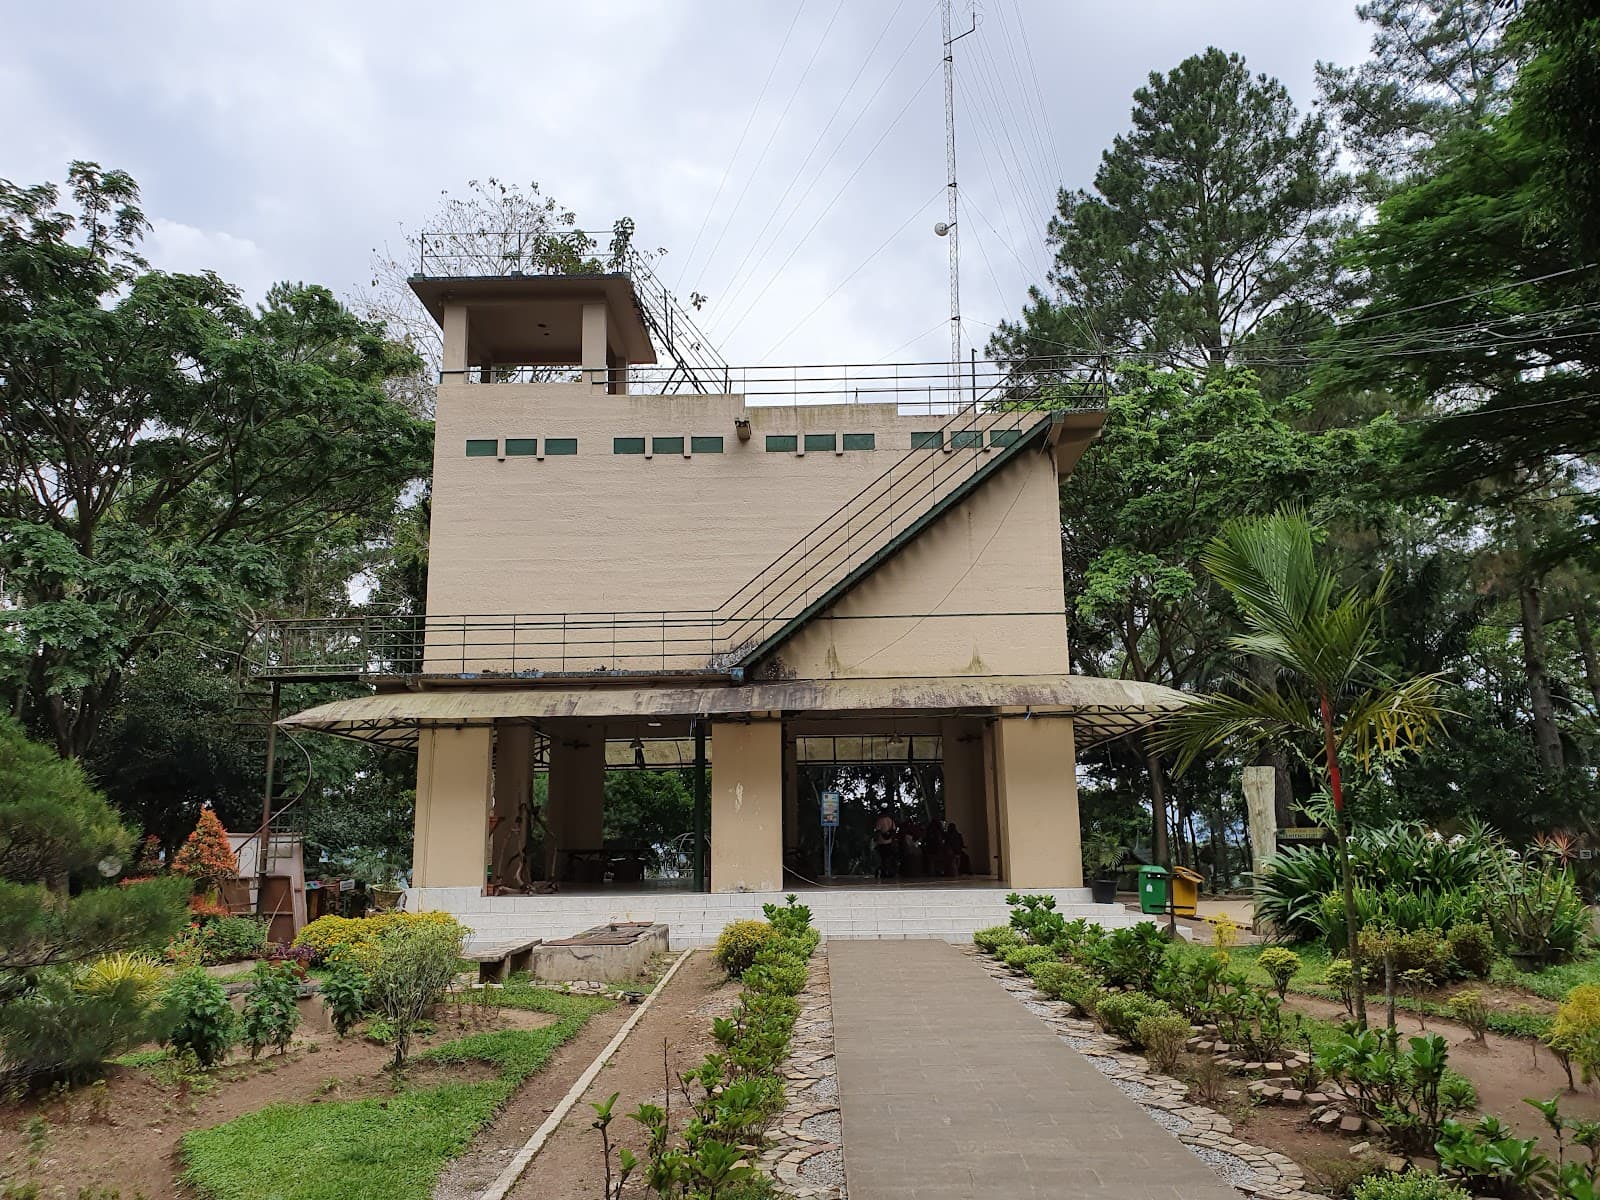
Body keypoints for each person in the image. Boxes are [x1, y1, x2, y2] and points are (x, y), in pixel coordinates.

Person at [872, 810, 898, 880]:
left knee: (883, 858)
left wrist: (875, 840)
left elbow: (877, 831)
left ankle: (883, 871)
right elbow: (894, 831)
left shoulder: (880, 821)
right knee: (888, 858)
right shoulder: (891, 821)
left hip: (881, 842)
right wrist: (893, 840)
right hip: (889, 842)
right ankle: (888, 871)